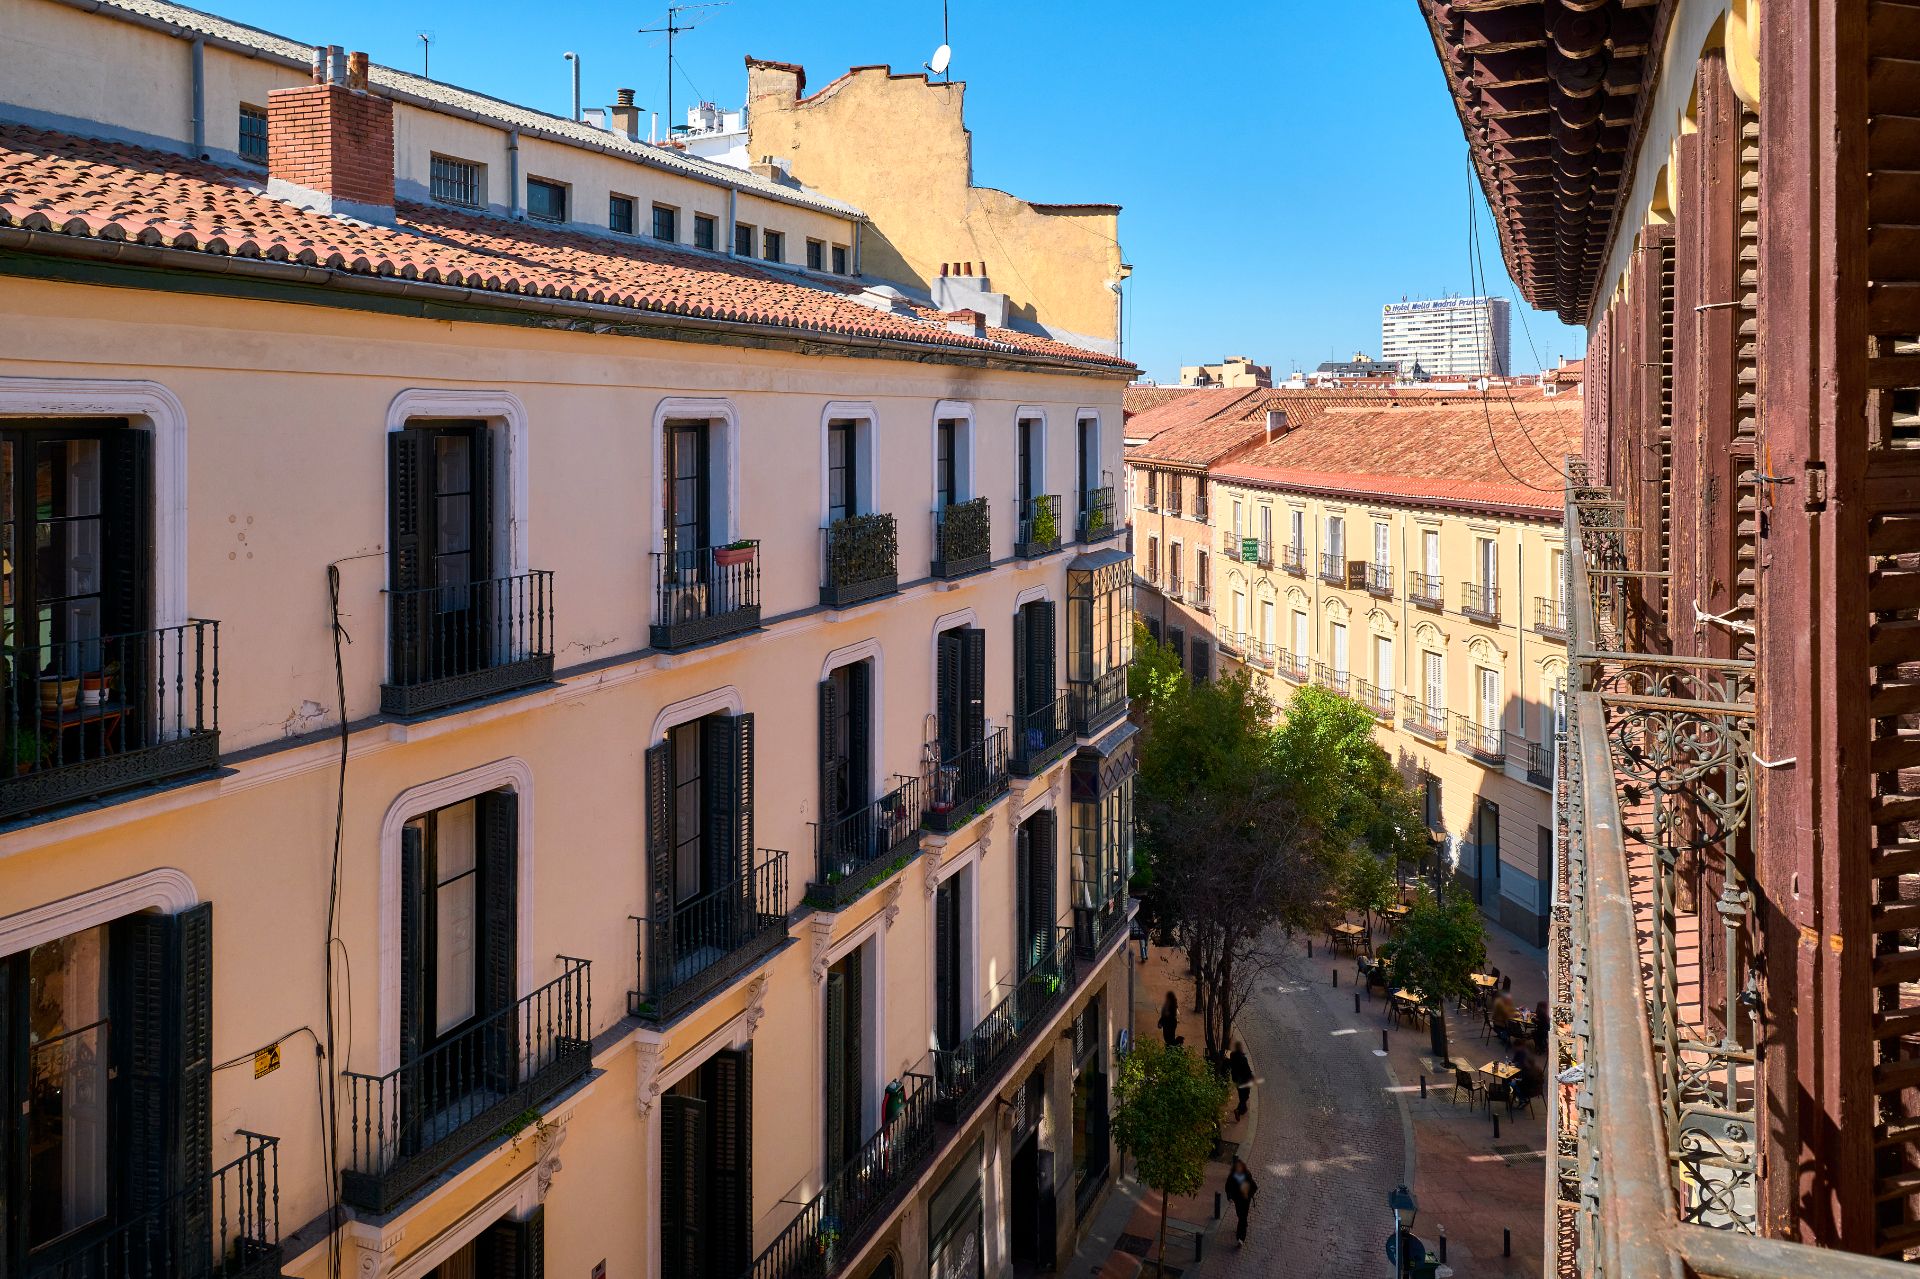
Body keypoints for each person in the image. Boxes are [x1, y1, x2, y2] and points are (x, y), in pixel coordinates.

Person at [1224, 1156, 1258, 1246]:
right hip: (1237, 1199)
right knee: (1239, 1214)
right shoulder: (1232, 1176)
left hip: (1246, 1200)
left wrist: (1249, 1194)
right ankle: (1243, 1224)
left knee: (1243, 1217)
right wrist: (1229, 1196)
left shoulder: (1247, 1174)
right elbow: (1228, 1187)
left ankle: (1241, 1238)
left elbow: (1254, 1186)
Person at [1228, 1041, 1254, 1119]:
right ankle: (1238, 1110)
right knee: (1245, 1096)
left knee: (1241, 1094)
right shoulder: (1243, 1058)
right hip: (1244, 1080)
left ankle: (1243, 1109)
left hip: (1236, 1079)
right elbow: (1247, 1070)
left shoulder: (1232, 1055)